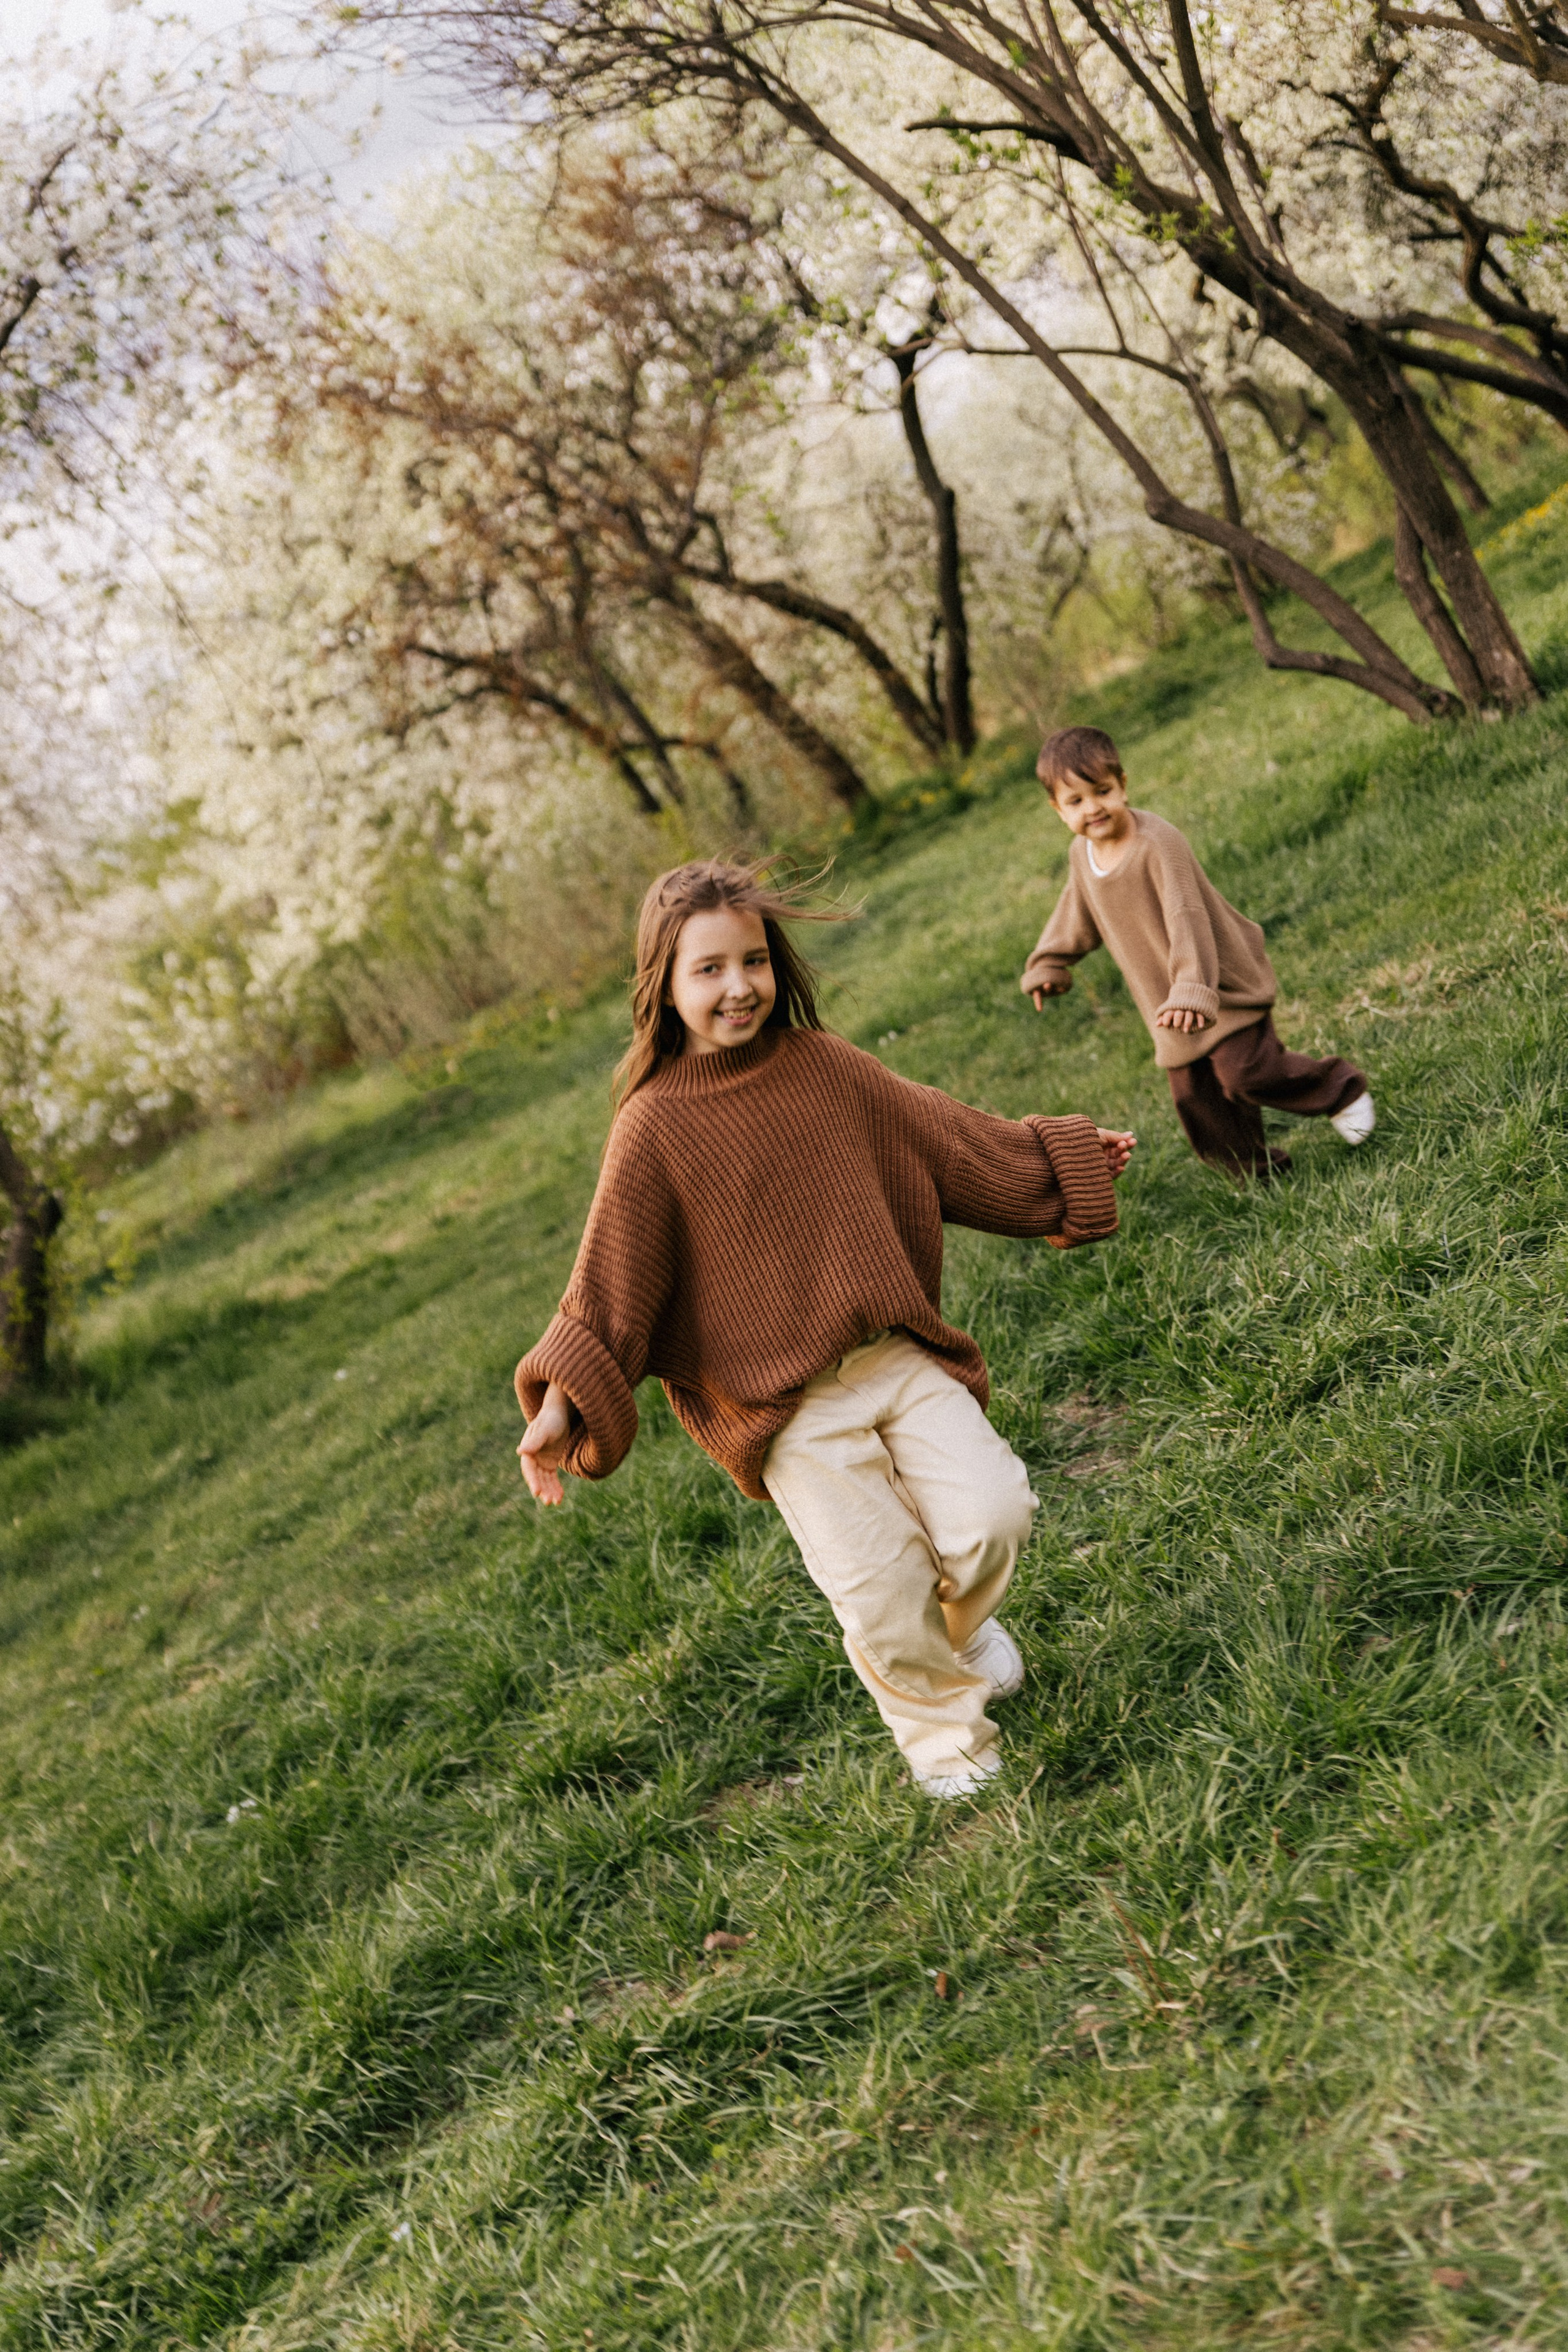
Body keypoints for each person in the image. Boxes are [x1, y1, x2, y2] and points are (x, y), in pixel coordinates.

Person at [516, 859, 1136, 1800]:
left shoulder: (824, 1067)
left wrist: (1061, 1165)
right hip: (787, 1413)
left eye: (753, 961)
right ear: (664, 985)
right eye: (709, 969)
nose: (738, 986)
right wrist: (562, 1408)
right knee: (880, 1590)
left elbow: (945, 1140)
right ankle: (946, 1743)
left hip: (895, 1357)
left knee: (994, 1513)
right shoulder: (651, 1130)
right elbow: (608, 1286)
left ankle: (961, 1631)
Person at [1020, 725, 1373, 1178]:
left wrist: (1192, 988)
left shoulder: (1157, 844)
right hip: (1166, 1004)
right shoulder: (1082, 855)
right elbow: (1075, 912)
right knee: (1196, 1100)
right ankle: (1256, 1173)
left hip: (1218, 984)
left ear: (1123, 785)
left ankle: (1340, 1089)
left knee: (1248, 1074)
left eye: (1102, 792)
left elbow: (1187, 916)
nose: (1093, 808)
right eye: (1076, 801)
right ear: (1057, 809)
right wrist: (1049, 963)